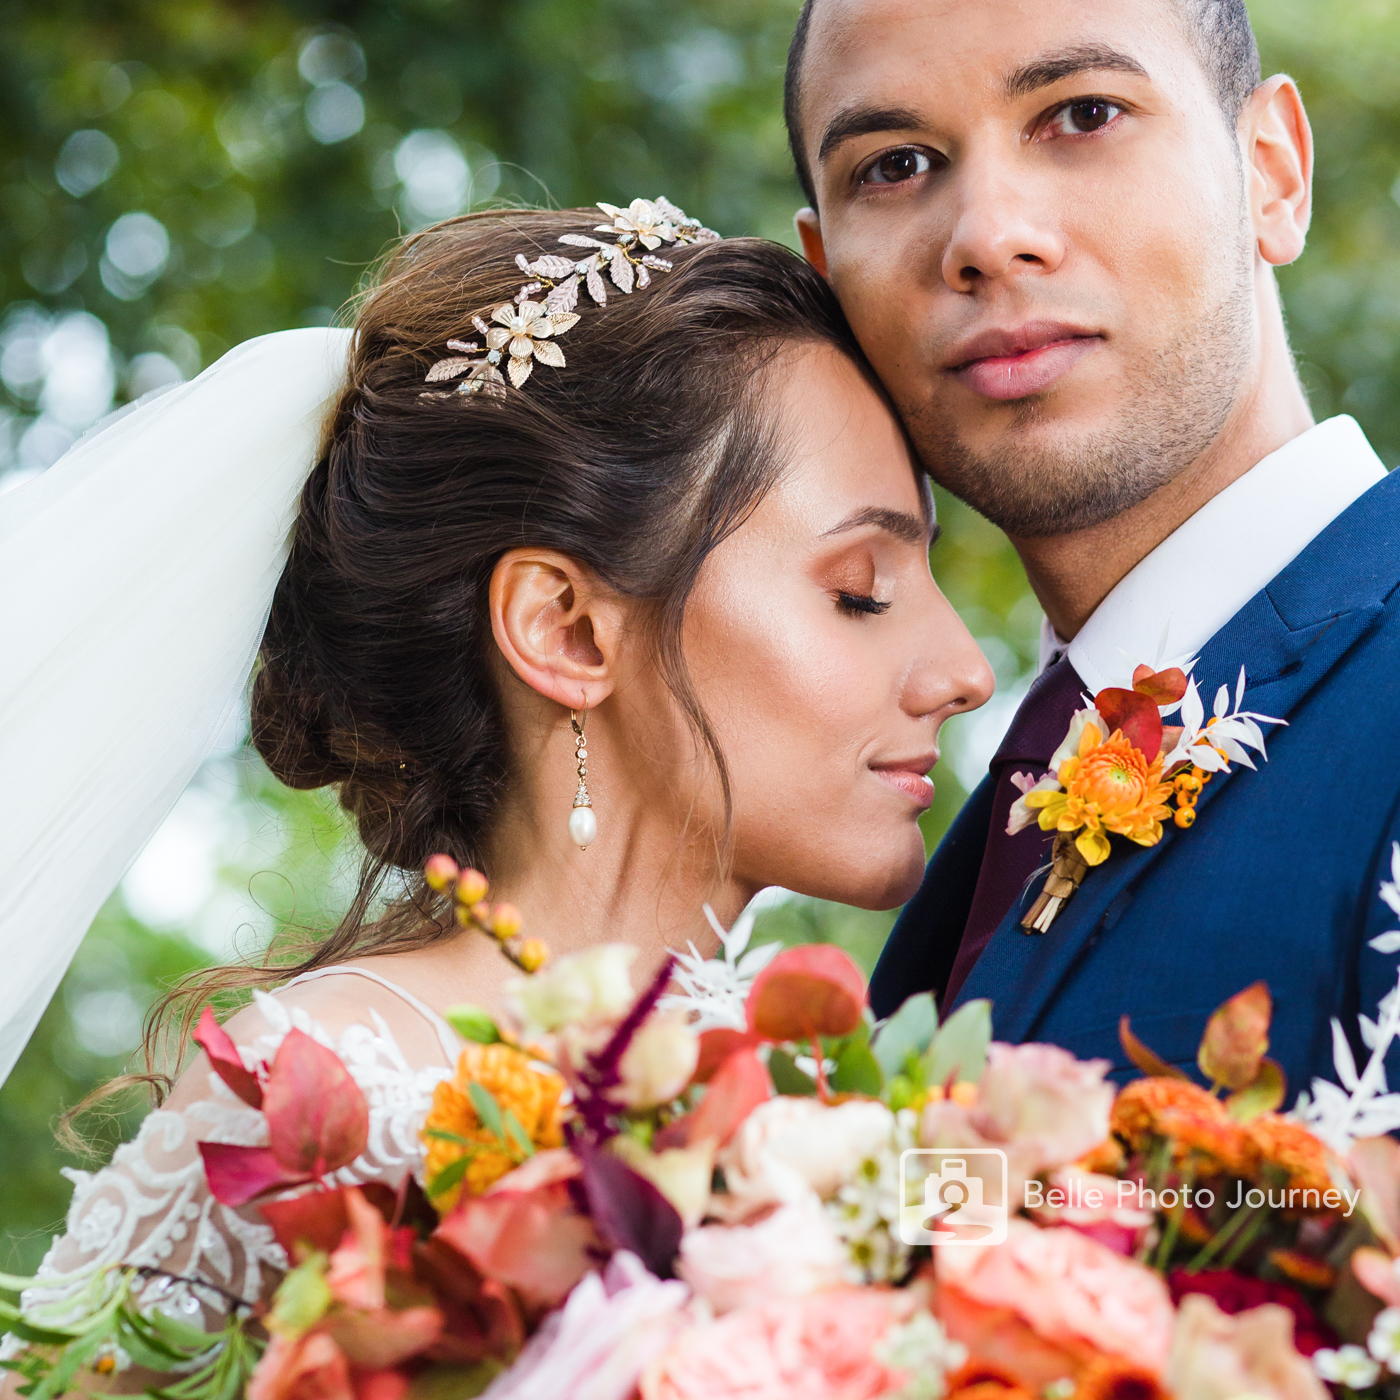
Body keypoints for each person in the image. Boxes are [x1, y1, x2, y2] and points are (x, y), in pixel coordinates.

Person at [2, 203, 991, 1352]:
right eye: (860, 589)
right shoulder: (316, 1105)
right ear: (566, 629)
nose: (963, 667)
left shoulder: (851, 1104)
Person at [784, 0, 1400, 1088]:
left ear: (1270, 174)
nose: (984, 236)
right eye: (893, 166)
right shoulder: (968, 842)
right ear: (825, 272)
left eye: (1081, 113)